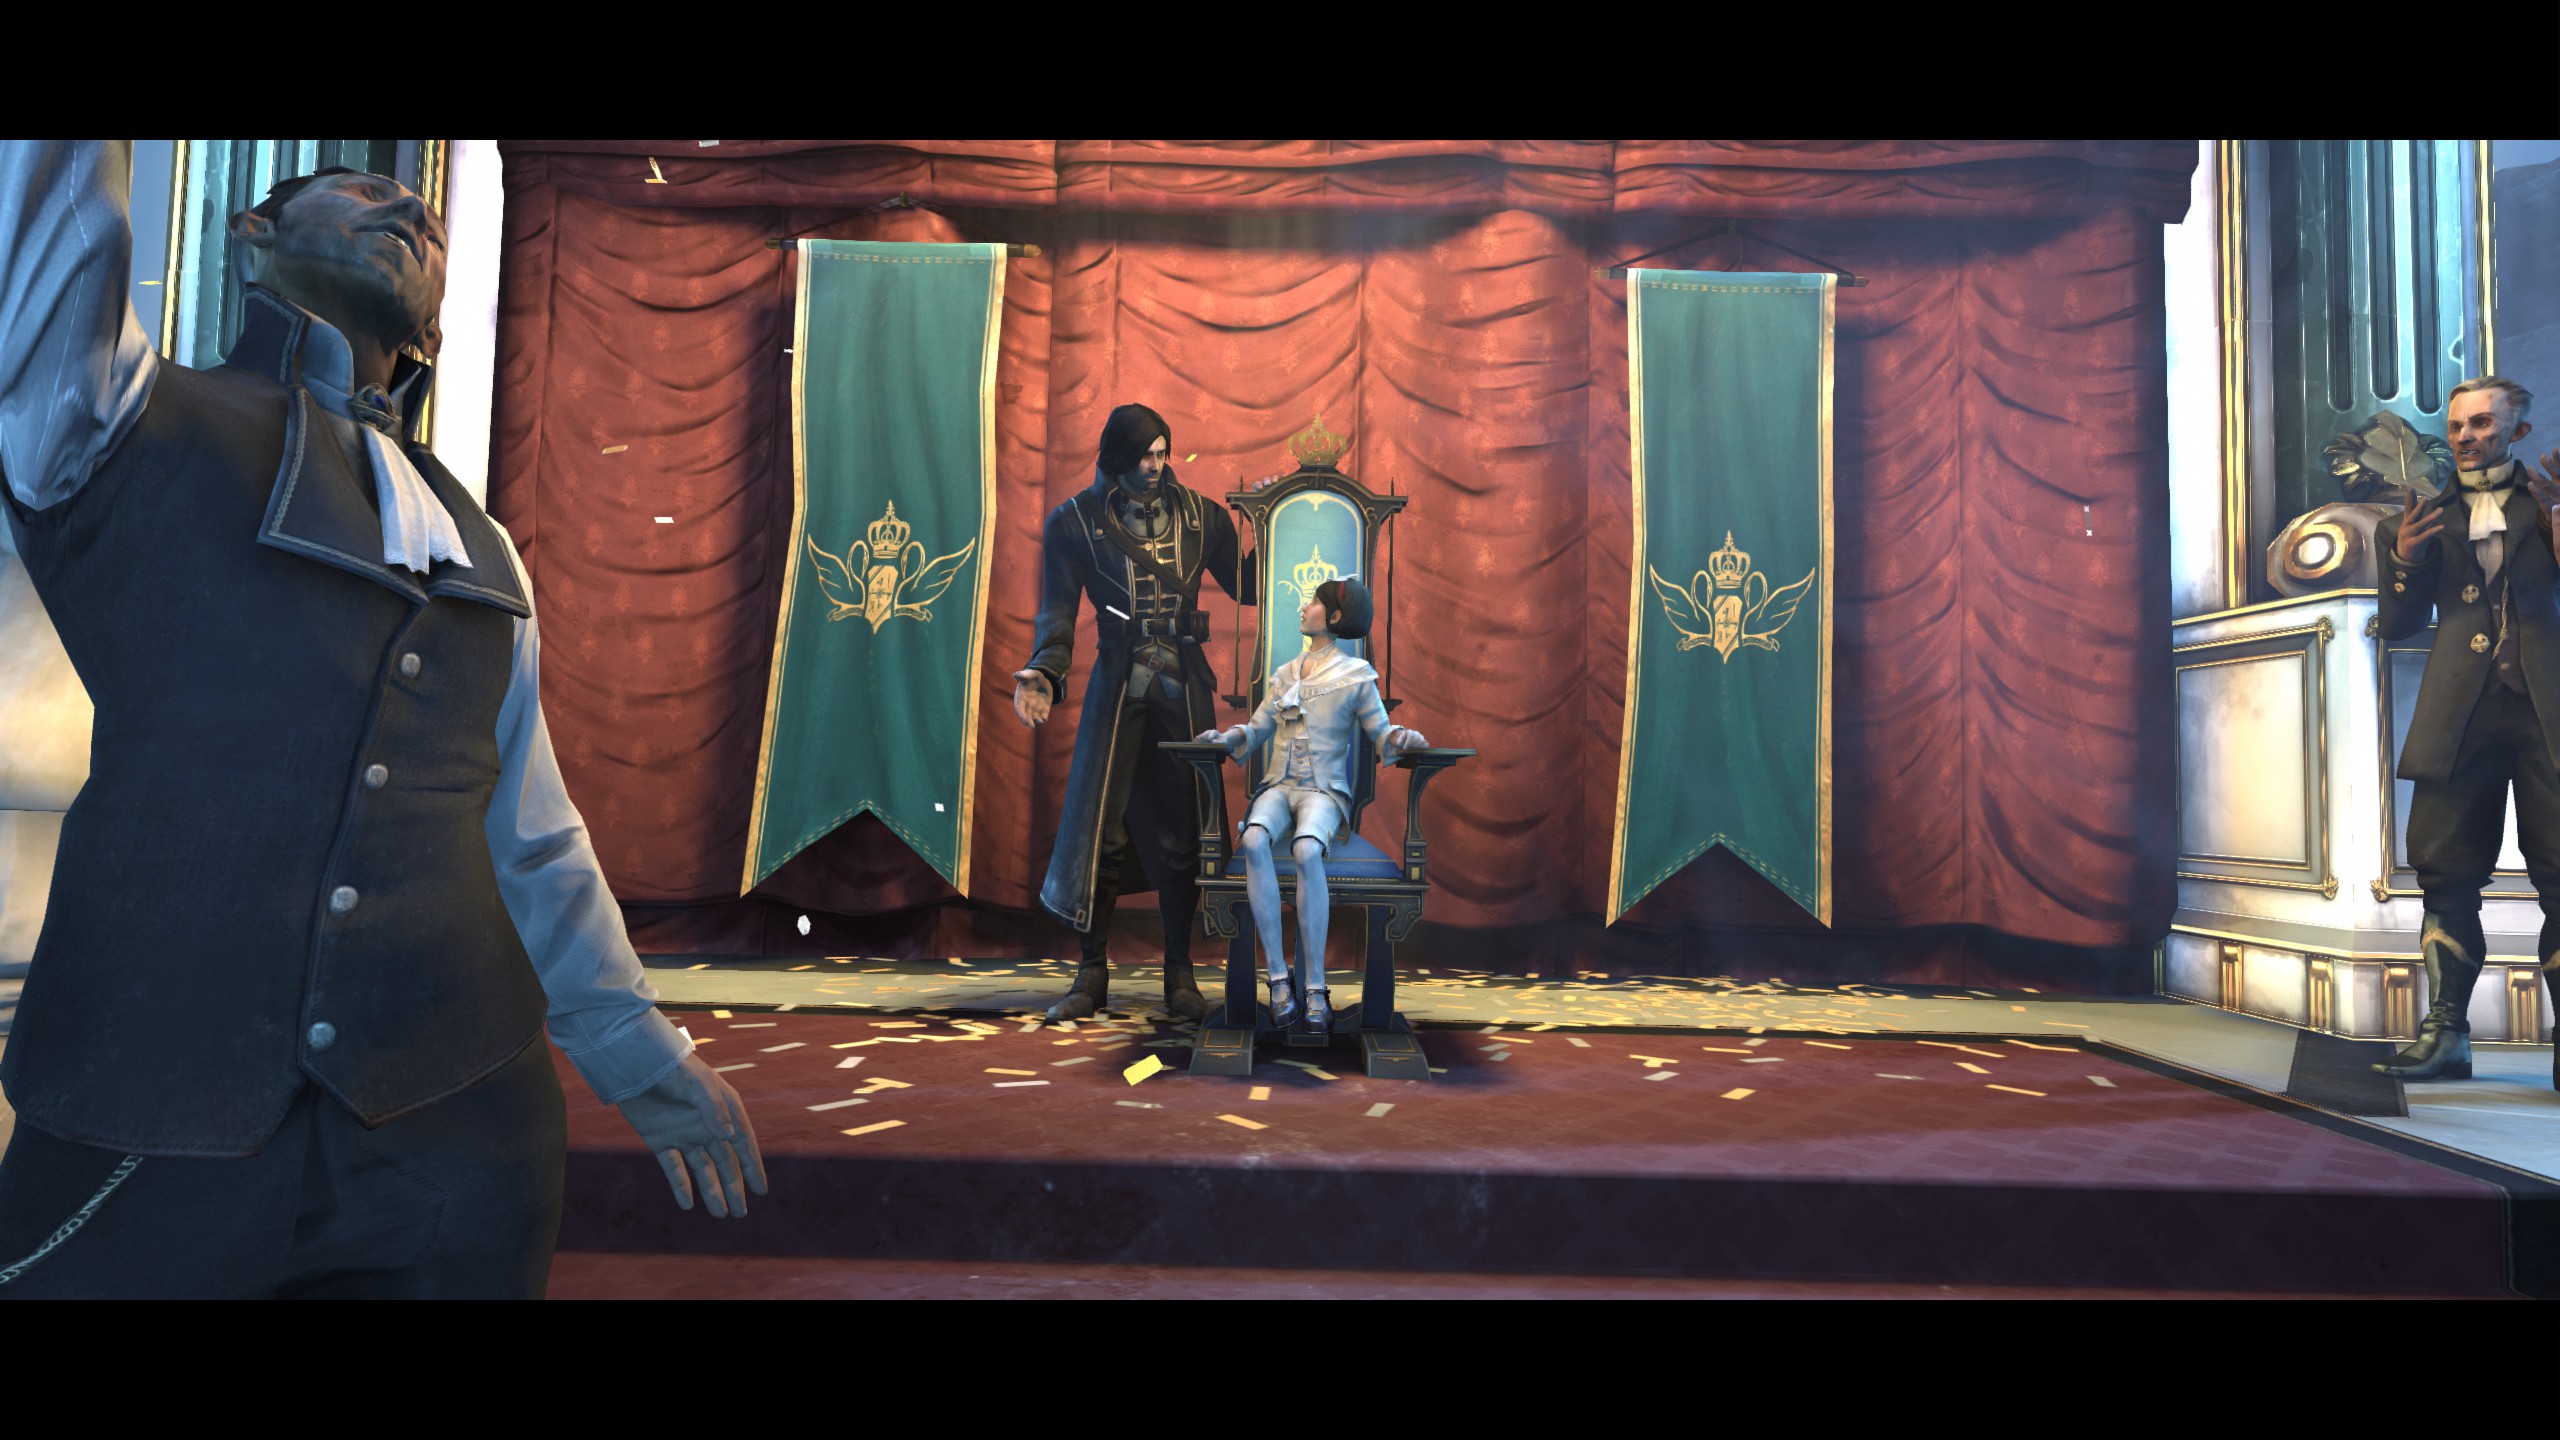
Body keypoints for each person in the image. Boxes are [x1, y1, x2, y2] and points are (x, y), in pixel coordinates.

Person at [0, 142, 764, 1299]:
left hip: (463, 1144)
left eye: (423, 216)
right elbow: (46, 216)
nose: (407, 205)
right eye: (359, 192)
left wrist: (637, 1057)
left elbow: (530, 840)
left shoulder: (482, 543)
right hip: (153, 1122)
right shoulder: (118, 418)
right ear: (251, 236)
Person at [1012, 405, 1253, 1023]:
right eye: (1145, 454)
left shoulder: (1202, 517)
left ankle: (1180, 971)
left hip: (1184, 688)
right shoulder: (1074, 522)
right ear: (1119, 456)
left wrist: (1285, 522)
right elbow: (1057, 614)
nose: (1156, 465)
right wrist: (1043, 671)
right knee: (1103, 831)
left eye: (1163, 452)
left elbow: (1251, 586)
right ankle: (1091, 971)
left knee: (1184, 828)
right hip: (1118, 686)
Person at [2372, 376, 2560, 1090]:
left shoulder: (2549, 507)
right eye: (2457, 426)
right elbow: (2398, 626)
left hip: (2548, 714)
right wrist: (2404, 562)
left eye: (2482, 423)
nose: (2466, 437)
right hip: (2458, 716)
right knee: (2445, 874)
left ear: (2517, 431)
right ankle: (2446, 1033)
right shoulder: (2418, 519)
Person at [1197, 578, 1422, 1034]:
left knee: (1305, 849)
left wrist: (1402, 737)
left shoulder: (1355, 674)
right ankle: (1278, 978)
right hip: (1279, 785)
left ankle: (1315, 986)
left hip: (1322, 791)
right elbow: (1257, 728)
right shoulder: (1285, 674)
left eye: (1315, 602)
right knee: (1254, 839)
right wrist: (1225, 737)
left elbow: (1381, 732)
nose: (1304, 607)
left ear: (1334, 617)